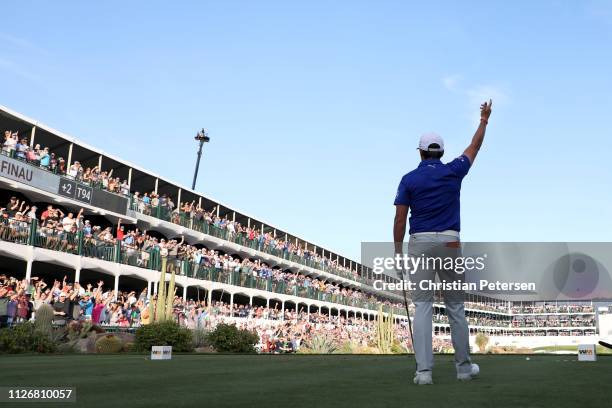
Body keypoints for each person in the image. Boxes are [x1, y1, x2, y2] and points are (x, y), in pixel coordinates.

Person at [393, 100, 493, 385]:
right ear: (442, 152)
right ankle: (463, 369)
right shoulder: (453, 171)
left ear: (421, 152)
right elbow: (474, 147)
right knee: (455, 306)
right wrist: (484, 120)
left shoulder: (409, 179)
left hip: (420, 243)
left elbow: (400, 220)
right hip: (450, 242)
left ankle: (424, 372)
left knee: (423, 306)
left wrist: (397, 251)